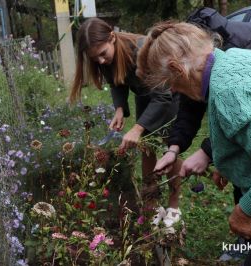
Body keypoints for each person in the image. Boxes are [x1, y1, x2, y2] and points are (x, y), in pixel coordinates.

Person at [137, 20, 251, 266]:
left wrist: (245, 211)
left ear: (177, 69)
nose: (173, 90)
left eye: (169, 83)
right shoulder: (233, 60)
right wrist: (234, 166)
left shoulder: (229, 89)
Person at [69, 18, 183, 232]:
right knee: (147, 147)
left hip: (170, 94)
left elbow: (163, 97)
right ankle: (151, 204)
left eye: (103, 54)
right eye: (95, 58)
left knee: (170, 148)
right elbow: (116, 81)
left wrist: (138, 127)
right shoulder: (102, 59)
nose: (101, 61)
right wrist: (120, 108)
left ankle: (174, 207)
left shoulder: (143, 51)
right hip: (144, 94)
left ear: (112, 36)